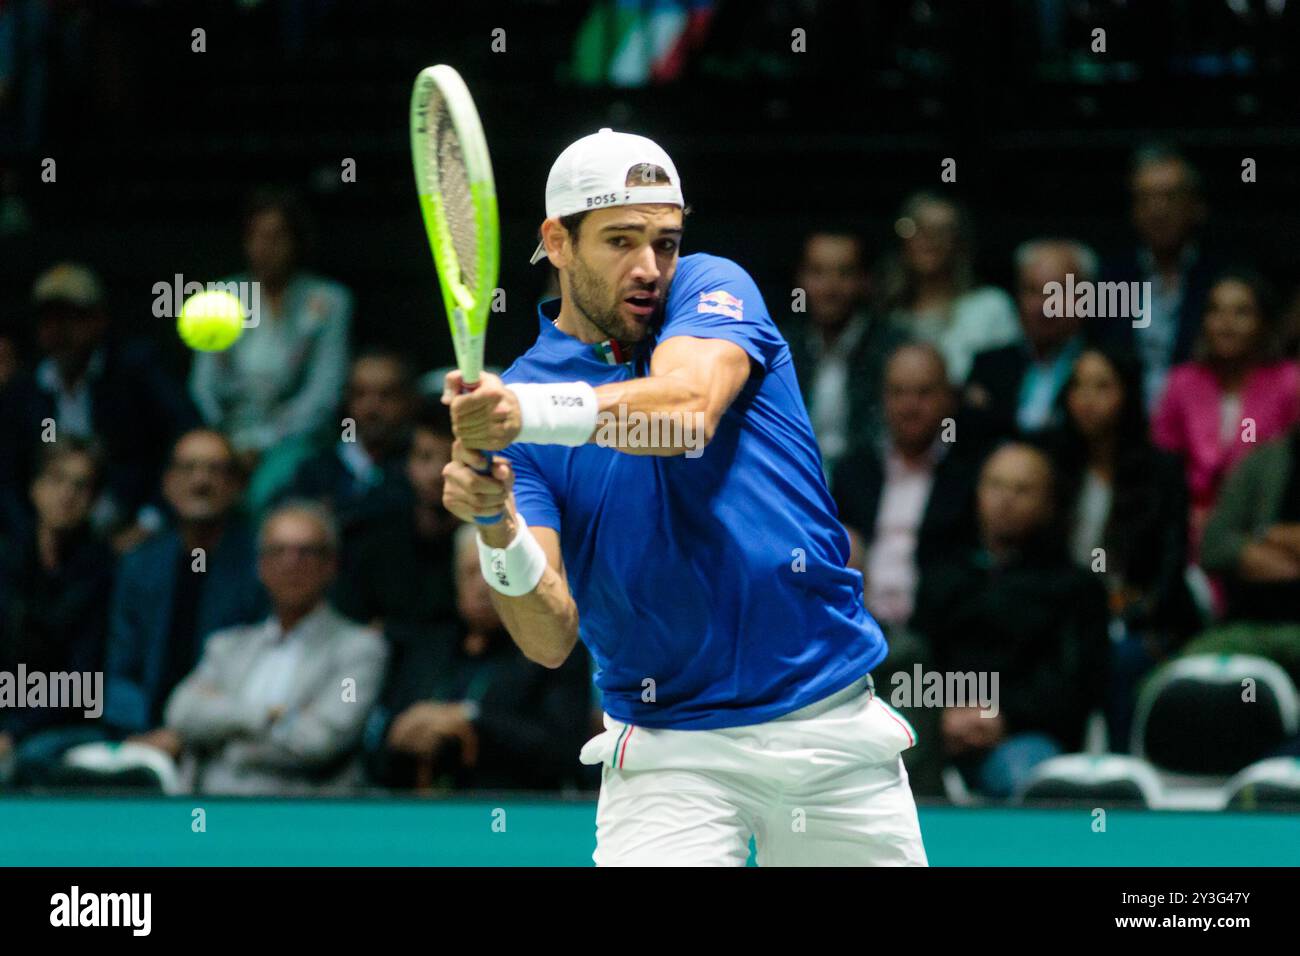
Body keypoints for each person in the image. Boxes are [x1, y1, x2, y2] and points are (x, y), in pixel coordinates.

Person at [441, 128, 925, 865]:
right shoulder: (521, 412)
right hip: (669, 755)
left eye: (664, 241)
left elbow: (687, 412)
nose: (649, 268)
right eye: (620, 241)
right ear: (558, 242)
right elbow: (547, 637)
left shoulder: (711, 287)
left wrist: (527, 412)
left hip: (829, 723)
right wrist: (493, 524)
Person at [912, 443, 1110, 799]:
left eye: (1022, 490)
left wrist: (1003, 717)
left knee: (1025, 777)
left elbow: (1078, 688)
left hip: (1025, 736)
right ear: (978, 493)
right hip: (938, 730)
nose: (1006, 499)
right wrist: (941, 714)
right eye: (996, 485)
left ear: (1049, 504)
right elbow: (917, 661)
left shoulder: (1076, 588)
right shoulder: (943, 575)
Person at [164, 502, 387, 795]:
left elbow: (322, 740)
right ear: (261, 566)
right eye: (278, 551)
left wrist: (225, 735)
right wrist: (269, 716)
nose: (291, 563)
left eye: (306, 552)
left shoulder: (359, 650)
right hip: (208, 812)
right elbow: (182, 712)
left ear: (330, 565)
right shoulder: (226, 646)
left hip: (300, 819)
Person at [1047, 345, 1199, 751]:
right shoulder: (1054, 466)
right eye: (1078, 386)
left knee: (1117, 659)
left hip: (1145, 619)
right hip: (1067, 612)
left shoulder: (1161, 471)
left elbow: (1171, 567)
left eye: (1103, 387)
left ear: (1128, 394)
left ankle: (1116, 773)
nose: (1088, 399)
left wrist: (1132, 609)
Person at [366, 524, 592, 792]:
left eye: (495, 572)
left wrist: (471, 719)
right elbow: (376, 746)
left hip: (516, 809)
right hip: (419, 809)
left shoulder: (555, 650)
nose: (482, 587)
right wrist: (400, 735)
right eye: (471, 572)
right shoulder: (426, 648)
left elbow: (563, 751)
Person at [0, 262, 200, 548]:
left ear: (99, 319)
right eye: (49, 319)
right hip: (46, 538)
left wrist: (149, 522)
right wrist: (30, 536)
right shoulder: (25, 390)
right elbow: (7, 476)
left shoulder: (136, 371)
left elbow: (187, 435)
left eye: (72, 318)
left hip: (132, 528)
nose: (60, 331)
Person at [102, 429, 267, 752]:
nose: (200, 482)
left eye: (215, 470)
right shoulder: (140, 565)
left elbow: (263, 677)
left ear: (237, 485)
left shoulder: (260, 567)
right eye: (188, 469)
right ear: (167, 483)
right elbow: (121, 667)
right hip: (140, 733)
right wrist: (140, 734)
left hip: (228, 740)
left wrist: (187, 734)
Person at [188, 188, 351, 487]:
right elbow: (203, 388)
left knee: (278, 481)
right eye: (257, 236)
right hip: (226, 441)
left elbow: (324, 393)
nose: (266, 247)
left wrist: (263, 443)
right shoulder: (220, 296)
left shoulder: (328, 300)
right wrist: (225, 443)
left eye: (277, 237)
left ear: (296, 241)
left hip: (297, 440)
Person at [833, 342, 984, 630]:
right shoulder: (853, 471)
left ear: (949, 399)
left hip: (938, 635)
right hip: (855, 629)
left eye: (923, 393)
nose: (909, 407)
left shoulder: (971, 475)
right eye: (898, 393)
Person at [1152, 270, 1300, 550]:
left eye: (1241, 312)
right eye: (1216, 311)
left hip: (1266, 528)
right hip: (1187, 526)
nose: (1226, 323)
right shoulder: (1181, 383)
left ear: (1264, 322)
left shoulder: (1289, 383)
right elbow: (1163, 464)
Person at [0, 440, 114, 783]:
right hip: (10, 713)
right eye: (56, 480)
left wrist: (13, 732)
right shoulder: (7, 562)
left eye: (80, 485)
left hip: (65, 722)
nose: (67, 494)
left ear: (94, 501)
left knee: (30, 761)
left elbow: (82, 684)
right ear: (35, 489)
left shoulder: (105, 574)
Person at [1098, 144, 1220, 410]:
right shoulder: (1112, 278)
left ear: (1196, 206)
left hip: (1202, 422)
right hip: (1125, 427)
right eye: (1146, 198)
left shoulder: (1220, 278)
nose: (1158, 210)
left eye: (1170, 197)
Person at [782, 230, 909, 478]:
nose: (830, 287)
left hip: (873, 487)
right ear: (801, 279)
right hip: (794, 481)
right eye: (818, 272)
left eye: (844, 273)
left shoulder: (893, 349)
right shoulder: (782, 345)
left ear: (864, 280)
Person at [334, 397, 459, 630]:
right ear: (406, 462)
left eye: (453, 459)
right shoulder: (371, 535)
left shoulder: (490, 537)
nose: (437, 473)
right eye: (425, 457)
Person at [1191, 424, 1300, 689]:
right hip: (1247, 628)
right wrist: (1273, 536)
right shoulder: (1264, 461)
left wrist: (1265, 537)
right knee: (1173, 685)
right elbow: (1213, 546)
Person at [875, 191, 1020, 385]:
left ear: (960, 241)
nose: (929, 239)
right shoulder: (886, 314)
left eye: (942, 230)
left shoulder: (989, 308)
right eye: (917, 227)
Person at [964, 239, 1094, 440]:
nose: (1043, 306)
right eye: (1032, 291)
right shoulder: (988, 366)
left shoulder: (1103, 369)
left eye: (1056, 292)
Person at [278, 348, 416, 536]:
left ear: (408, 401)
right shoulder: (316, 472)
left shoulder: (420, 469)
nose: (371, 408)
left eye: (386, 395)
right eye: (360, 394)